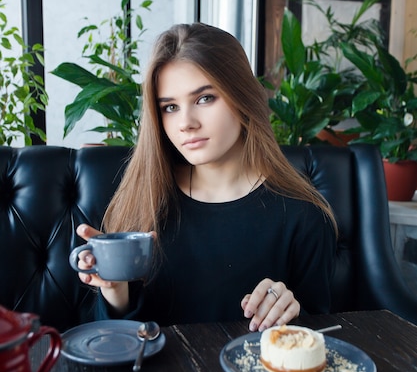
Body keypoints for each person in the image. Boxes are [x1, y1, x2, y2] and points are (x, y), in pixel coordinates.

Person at [76, 22, 337, 332]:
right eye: (170, 107)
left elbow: (320, 334)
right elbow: (107, 339)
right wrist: (115, 292)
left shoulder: (304, 216)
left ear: (242, 97)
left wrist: (289, 313)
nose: (186, 123)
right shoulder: (143, 198)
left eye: (204, 99)